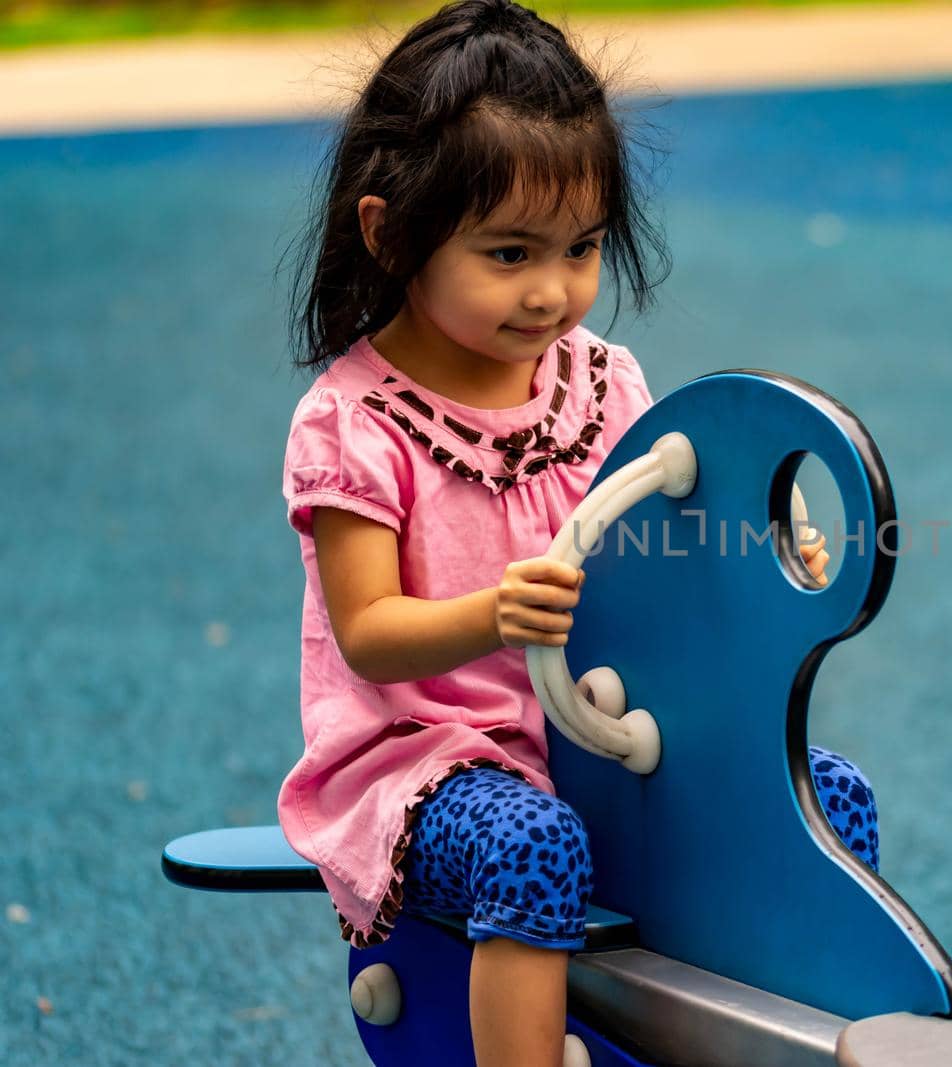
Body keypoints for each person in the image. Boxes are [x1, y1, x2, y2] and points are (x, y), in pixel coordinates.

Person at [275, 3, 877, 1064]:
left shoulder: (602, 383)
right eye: (508, 253)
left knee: (823, 792)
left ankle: (810, 1030)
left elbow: (661, 560)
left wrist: (763, 557)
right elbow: (367, 629)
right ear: (388, 233)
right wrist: (489, 612)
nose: (552, 290)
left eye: (582, 247)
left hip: (601, 734)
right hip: (430, 761)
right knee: (534, 844)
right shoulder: (355, 421)